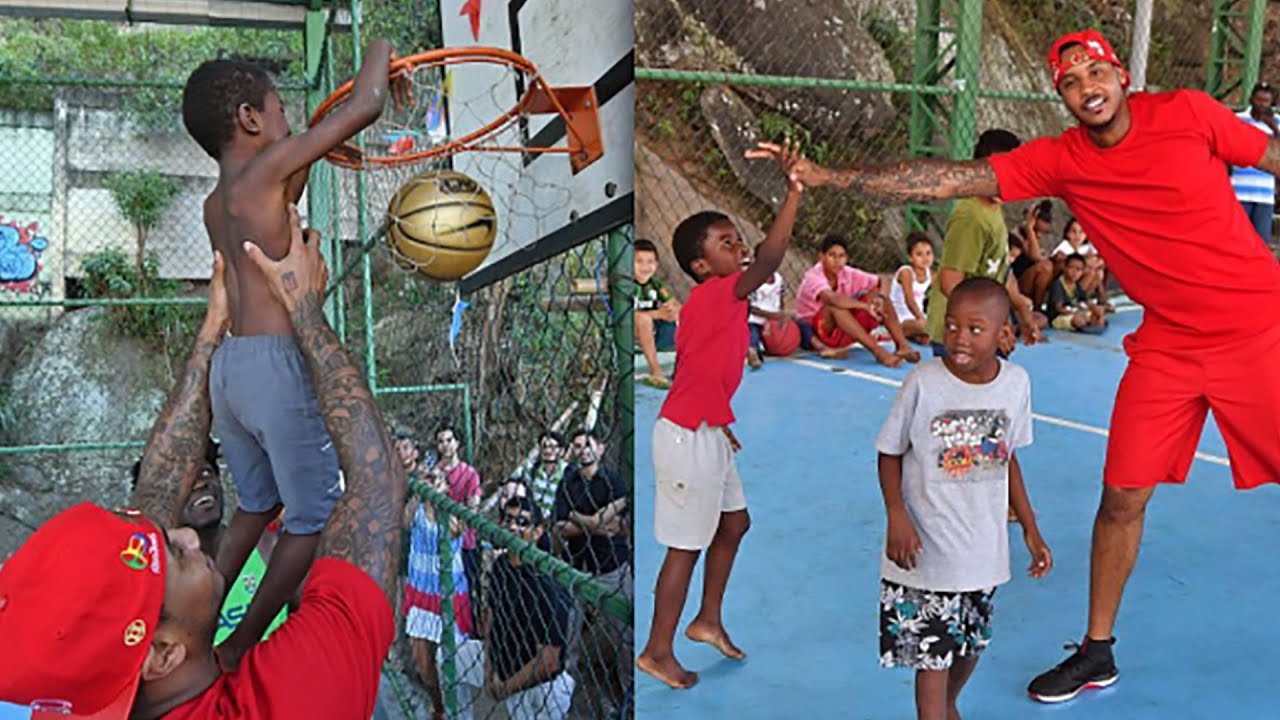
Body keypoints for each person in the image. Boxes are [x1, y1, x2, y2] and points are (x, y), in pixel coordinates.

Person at [749, 27, 1280, 704]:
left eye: (1095, 72)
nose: (1087, 87)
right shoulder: (1062, 160)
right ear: (1062, 98)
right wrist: (829, 177)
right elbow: (944, 178)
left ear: (1120, 75)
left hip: (1256, 328)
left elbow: (1270, 153)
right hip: (1169, 344)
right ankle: (1097, 650)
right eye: (1070, 82)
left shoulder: (1186, 113)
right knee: (1121, 496)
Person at [0, 208, 405, 717]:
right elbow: (378, 482)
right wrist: (304, 308)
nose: (187, 535)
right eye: (176, 554)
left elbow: (159, 487)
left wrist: (212, 329)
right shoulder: (287, 700)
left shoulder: (85, 691)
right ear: (163, 655)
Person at [180, 40, 403, 669]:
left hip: (231, 368)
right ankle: (239, 644)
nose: (288, 124)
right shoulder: (270, 166)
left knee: (258, 503)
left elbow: (285, 184)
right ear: (252, 119)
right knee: (313, 511)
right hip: (280, 365)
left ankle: (194, 620)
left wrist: (312, 142)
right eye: (280, 111)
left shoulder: (216, 203)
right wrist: (385, 53)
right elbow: (366, 103)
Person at [636, 141, 809, 690]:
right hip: (686, 439)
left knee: (734, 523)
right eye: (726, 243)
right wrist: (795, 190)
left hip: (706, 429)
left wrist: (719, 418)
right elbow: (772, 257)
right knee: (684, 548)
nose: (738, 247)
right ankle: (657, 651)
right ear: (699, 265)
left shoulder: (722, 304)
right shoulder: (714, 294)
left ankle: (707, 619)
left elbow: (699, 370)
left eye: (737, 239)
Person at [878, 278, 1052, 720]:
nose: (959, 338)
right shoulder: (924, 382)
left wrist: (1031, 528)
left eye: (976, 329)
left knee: (971, 644)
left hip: (982, 550)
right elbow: (889, 451)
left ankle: (948, 706)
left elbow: (1008, 458)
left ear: (1004, 335)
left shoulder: (1015, 384)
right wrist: (897, 515)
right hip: (927, 550)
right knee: (932, 655)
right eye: (952, 325)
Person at [551, 429, 631, 719]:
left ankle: (629, 699)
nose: (583, 450)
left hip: (611, 567)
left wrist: (577, 517)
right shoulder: (567, 482)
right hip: (575, 568)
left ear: (600, 447)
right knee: (569, 638)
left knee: (625, 636)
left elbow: (616, 527)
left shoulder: (614, 481)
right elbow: (561, 527)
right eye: (578, 446)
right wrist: (596, 523)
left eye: (588, 445)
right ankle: (567, 701)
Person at [481, 496, 576, 720]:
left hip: (543, 686)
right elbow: (491, 619)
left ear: (537, 531)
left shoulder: (547, 582)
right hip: (508, 672)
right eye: (508, 519)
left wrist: (505, 688)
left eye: (522, 522)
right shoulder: (501, 566)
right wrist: (489, 671)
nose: (513, 527)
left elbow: (549, 661)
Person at [403, 451, 474, 720]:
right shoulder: (418, 508)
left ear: (447, 486)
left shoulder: (453, 511)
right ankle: (439, 707)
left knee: (452, 663)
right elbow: (405, 522)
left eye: (439, 480)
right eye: (431, 479)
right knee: (423, 662)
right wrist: (421, 490)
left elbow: (456, 530)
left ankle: (460, 712)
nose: (434, 483)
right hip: (421, 591)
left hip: (449, 593)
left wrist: (437, 497)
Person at [794, 234, 922, 367]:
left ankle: (902, 346)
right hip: (817, 332)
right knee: (835, 306)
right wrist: (865, 306)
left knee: (878, 296)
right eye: (832, 256)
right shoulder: (814, 276)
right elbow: (832, 298)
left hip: (844, 329)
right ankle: (879, 353)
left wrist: (880, 298)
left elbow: (883, 280)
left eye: (841, 256)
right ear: (821, 257)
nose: (837, 261)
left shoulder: (847, 272)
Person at [1230, 82, 1278, 244]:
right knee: (1236, 240)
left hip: (1264, 194)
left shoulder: (1277, 122)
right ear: (1251, 99)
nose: (1262, 105)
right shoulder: (1238, 119)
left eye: (1266, 101)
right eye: (1259, 100)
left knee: (1261, 243)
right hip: (1239, 191)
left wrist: (1272, 127)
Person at [634, 238, 681, 389]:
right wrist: (657, 315)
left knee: (682, 315)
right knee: (642, 318)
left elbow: (673, 303)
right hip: (631, 331)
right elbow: (629, 315)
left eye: (650, 262)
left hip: (656, 331)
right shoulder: (626, 284)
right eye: (639, 262)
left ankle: (683, 368)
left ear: (656, 264)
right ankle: (656, 370)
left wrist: (672, 309)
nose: (645, 267)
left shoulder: (656, 283)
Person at [1050, 217, 1112, 311]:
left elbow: (1102, 260)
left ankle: (1087, 300)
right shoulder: (1064, 247)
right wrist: (1088, 261)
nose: (1077, 235)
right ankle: (1083, 301)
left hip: (1081, 282)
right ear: (1067, 234)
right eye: (1073, 231)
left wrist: (1093, 262)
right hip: (1067, 286)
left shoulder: (1086, 247)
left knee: (1099, 272)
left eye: (1081, 232)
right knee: (1092, 271)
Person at [744, 243, 788, 369]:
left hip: (772, 323)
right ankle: (752, 351)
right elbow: (749, 308)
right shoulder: (751, 279)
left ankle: (822, 347)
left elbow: (781, 300)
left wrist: (781, 316)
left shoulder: (779, 279)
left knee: (800, 327)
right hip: (755, 320)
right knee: (752, 335)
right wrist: (772, 315)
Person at [889, 232, 934, 344]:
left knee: (929, 337)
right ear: (910, 257)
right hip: (899, 317)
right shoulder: (906, 272)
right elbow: (909, 299)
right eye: (919, 254)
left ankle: (913, 335)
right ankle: (896, 331)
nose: (925, 258)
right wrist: (921, 318)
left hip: (917, 317)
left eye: (928, 253)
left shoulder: (930, 274)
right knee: (926, 326)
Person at [1046, 254, 1107, 334]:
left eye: (1078, 270)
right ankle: (1087, 323)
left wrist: (1095, 309)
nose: (1075, 272)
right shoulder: (1058, 284)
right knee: (1079, 320)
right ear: (1065, 267)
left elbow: (1084, 300)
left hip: (1075, 312)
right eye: (1071, 268)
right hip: (1059, 316)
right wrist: (1076, 313)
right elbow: (1059, 308)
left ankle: (1090, 322)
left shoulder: (1076, 284)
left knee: (1097, 315)